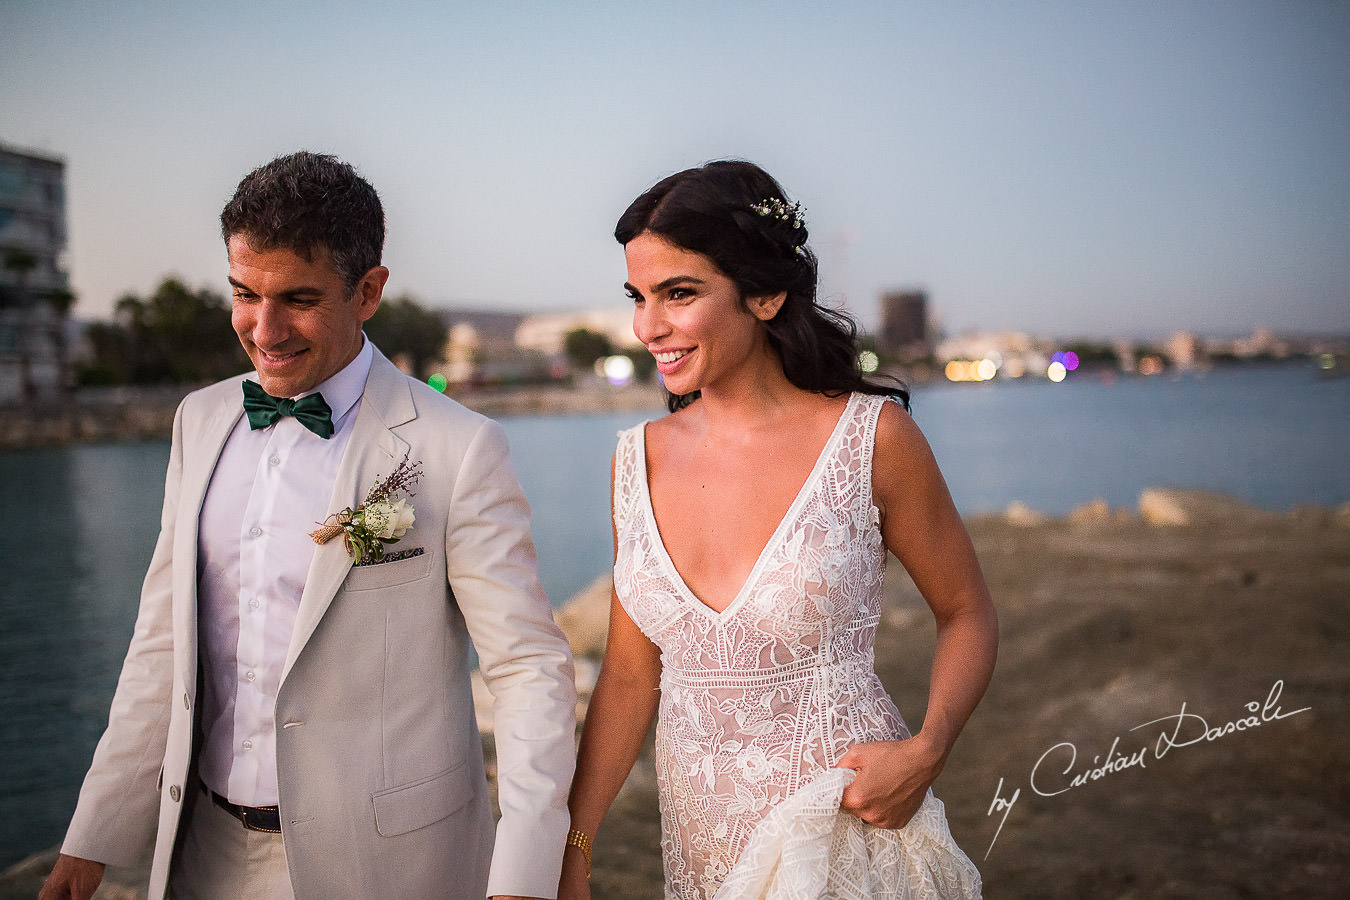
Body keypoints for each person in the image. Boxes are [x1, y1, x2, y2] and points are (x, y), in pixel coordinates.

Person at [40, 151, 577, 900]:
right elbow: (161, 644)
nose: (264, 330)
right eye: (242, 294)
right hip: (203, 853)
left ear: (369, 291)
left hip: (389, 866)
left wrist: (524, 874)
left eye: (297, 298)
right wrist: (92, 835)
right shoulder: (199, 420)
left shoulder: (459, 446)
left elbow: (525, 670)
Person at [559, 161, 997, 899]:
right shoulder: (635, 461)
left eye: (679, 294)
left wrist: (928, 750)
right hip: (699, 851)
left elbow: (967, 612)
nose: (648, 326)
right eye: (638, 297)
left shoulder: (871, 440)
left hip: (847, 835)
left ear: (765, 293)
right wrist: (575, 843)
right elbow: (631, 676)